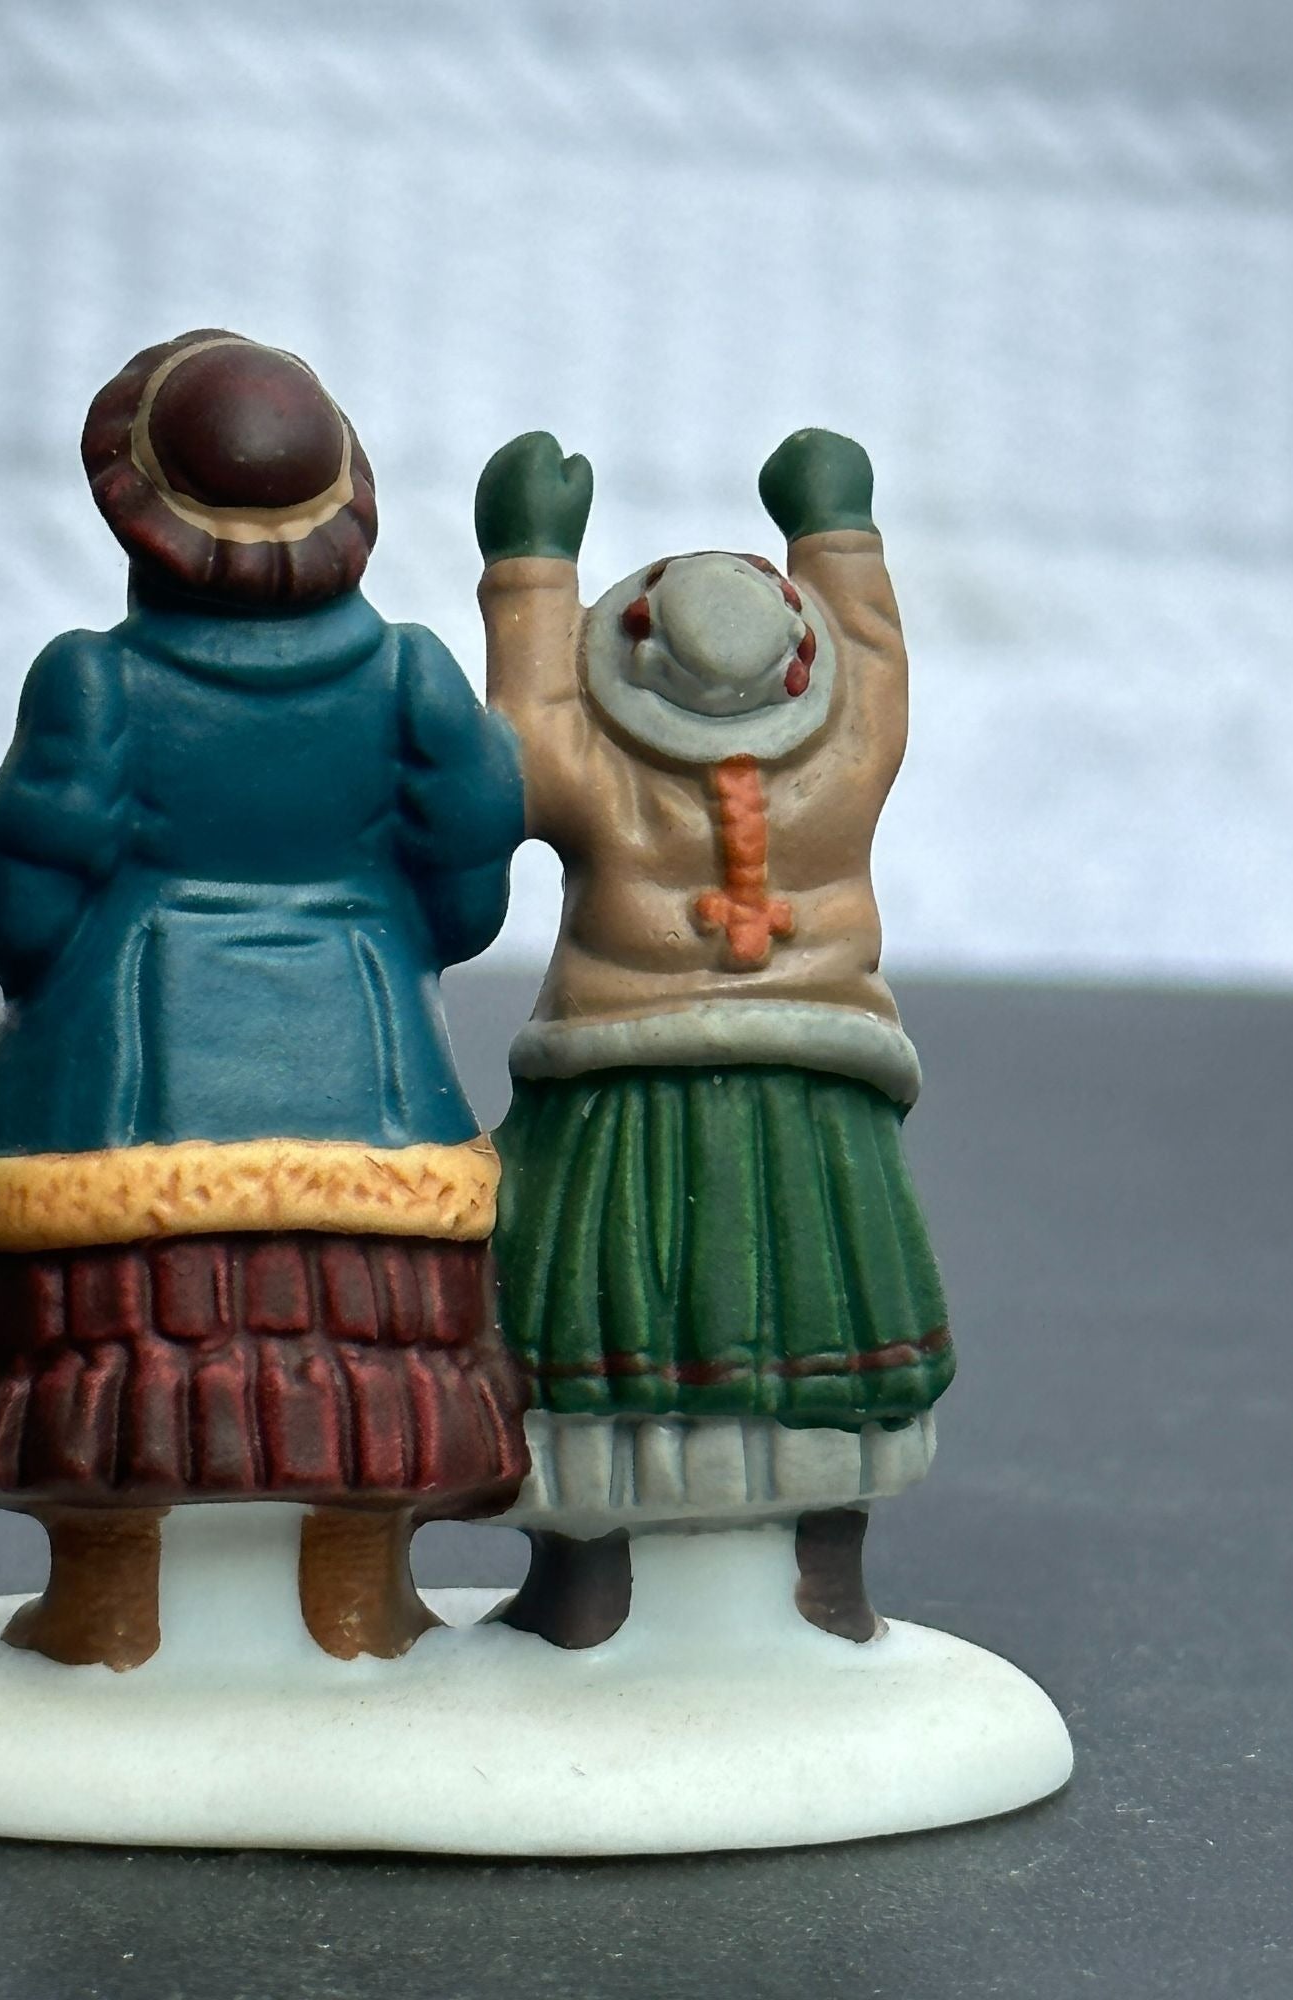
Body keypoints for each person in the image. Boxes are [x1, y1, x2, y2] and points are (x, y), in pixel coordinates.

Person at [0, 331, 528, 1668]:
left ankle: (108, 1610)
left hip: (125, 1074)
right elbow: (466, 900)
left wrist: (24, 1008)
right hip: (370, 1065)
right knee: (366, 1345)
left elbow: (26, 908)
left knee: (115, 1353)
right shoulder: (414, 674)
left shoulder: (93, 680)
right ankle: (357, 1604)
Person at [477, 427, 953, 1646]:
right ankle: (667, 1575)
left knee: (655, 1317)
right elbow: (877, 660)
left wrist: (529, 562)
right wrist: (833, 527)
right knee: (708, 1320)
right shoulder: (846, 752)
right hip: (766, 1082)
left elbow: (523, 729)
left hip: (654, 1087)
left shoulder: (594, 764)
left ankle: (692, 1577)